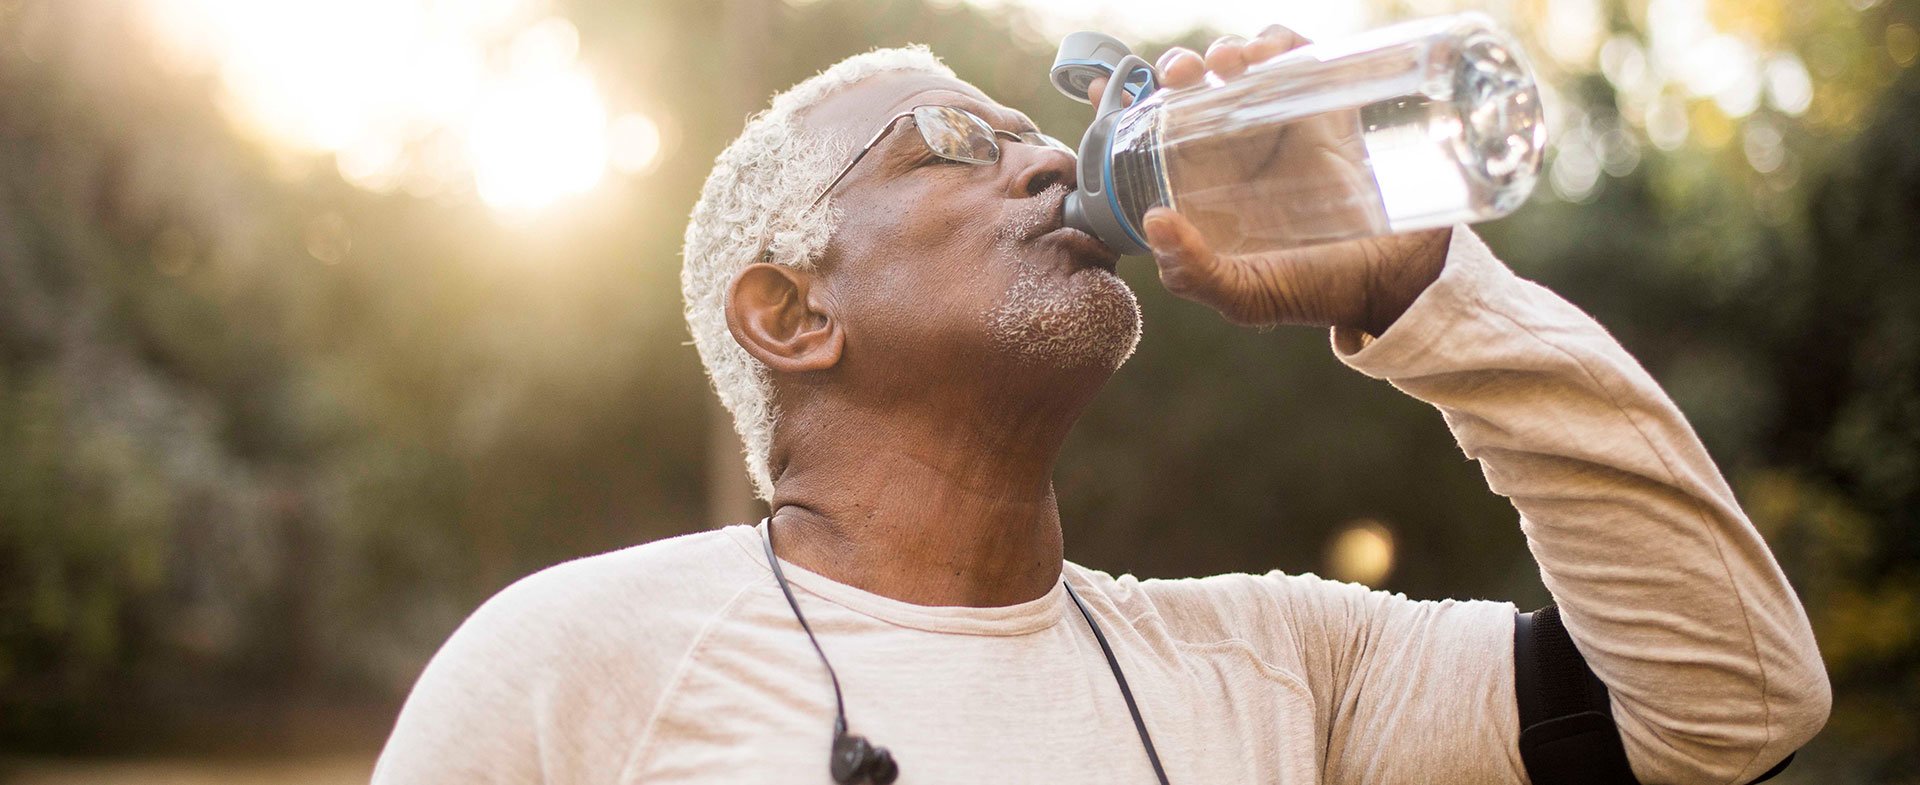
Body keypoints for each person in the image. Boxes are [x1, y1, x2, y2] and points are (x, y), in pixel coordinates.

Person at [372, 26, 1829, 784]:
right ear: (792, 311)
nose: (1048, 168)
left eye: (1038, 135)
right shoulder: (578, 666)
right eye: (949, 142)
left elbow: (1736, 702)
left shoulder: (1277, 666)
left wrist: (1423, 291)